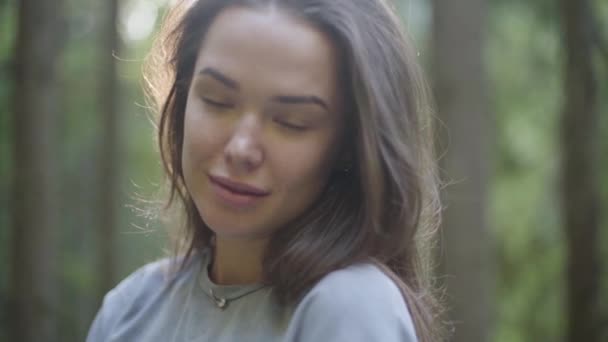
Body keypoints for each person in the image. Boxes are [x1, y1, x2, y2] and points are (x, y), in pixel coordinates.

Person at [87, 0, 443, 341]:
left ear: (349, 148)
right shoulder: (130, 309)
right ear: (182, 98)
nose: (241, 148)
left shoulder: (349, 305)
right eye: (217, 101)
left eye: (292, 122)